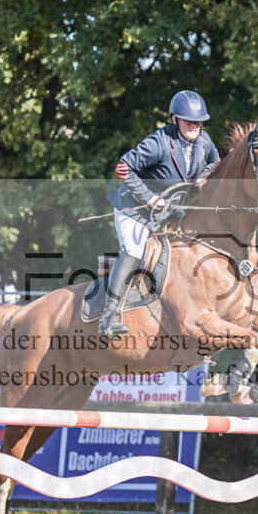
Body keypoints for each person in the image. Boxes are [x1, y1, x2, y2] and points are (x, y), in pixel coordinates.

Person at [99, 90, 221, 337]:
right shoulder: (159, 143)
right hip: (135, 210)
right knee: (133, 252)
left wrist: (202, 178)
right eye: (188, 121)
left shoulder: (205, 141)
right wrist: (148, 197)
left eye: (198, 122)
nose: (194, 126)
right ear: (174, 119)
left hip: (169, 213)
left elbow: (216, 162)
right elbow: (123, 168)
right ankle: (108, 316)